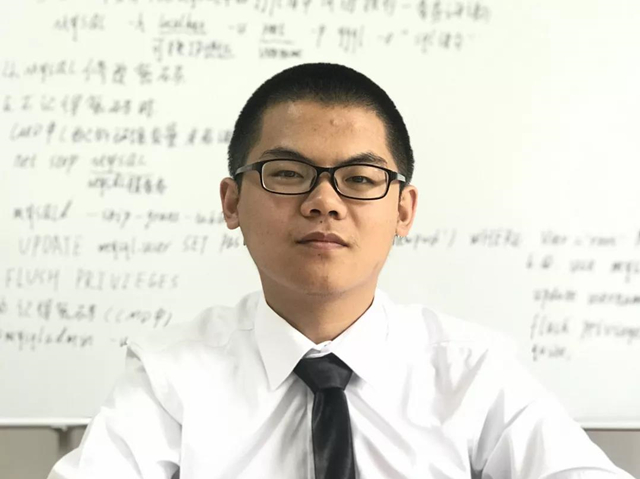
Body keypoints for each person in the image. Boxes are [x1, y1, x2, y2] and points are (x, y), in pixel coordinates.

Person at [48, 63, 633, 479]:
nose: (324, 202)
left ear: (403, 211)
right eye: (286, 172)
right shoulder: (169, 377)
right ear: (232, 202)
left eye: (359, 179)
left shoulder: (472, 371)